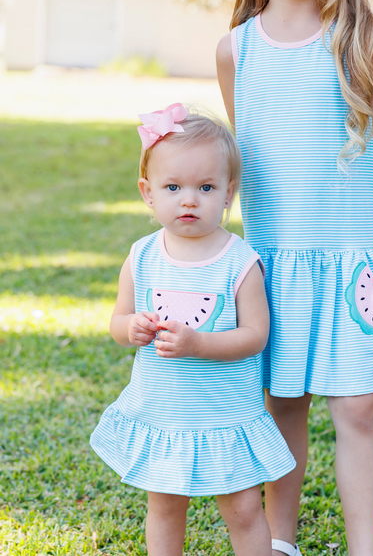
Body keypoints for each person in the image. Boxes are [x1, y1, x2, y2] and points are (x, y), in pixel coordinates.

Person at [214, 0, 373, 556]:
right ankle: (280, 543)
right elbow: (247, 159)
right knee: (282, 403)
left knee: (357, 407)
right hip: (271, 265)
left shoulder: (360, 40)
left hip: (349, 257)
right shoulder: (237, 48)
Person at [90, 104, 296, 556]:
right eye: (173, 187)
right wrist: (132, 327)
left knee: (243, 509)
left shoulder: (240, 262)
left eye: (205, 187)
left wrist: (199, 343)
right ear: (147, 193)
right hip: (163, 414)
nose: (189, 199)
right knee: (164, 508)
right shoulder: (141, 256)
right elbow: (117, 322)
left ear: (228, 194)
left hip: (226, 416)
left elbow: (256, 335)